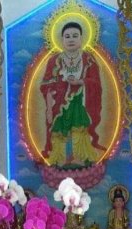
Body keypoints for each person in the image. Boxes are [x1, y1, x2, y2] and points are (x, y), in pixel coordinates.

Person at [40, 21, 105, 166]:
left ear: (82, 38)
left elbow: (96, 82)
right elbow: (46, 85)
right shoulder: (54, 60)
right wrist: (50, 105)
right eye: (67, 36)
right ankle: (59, 160)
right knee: (59, 130)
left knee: (79, 128)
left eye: (75, 36)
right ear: (61, 40)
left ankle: (82, 158)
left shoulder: (88, 59)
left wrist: (80, 82)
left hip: (80, 101)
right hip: (59, 103)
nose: (71, 39)